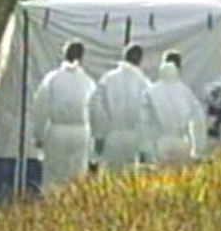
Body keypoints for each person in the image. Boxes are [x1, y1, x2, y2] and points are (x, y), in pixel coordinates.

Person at [32, 39, 96, 189]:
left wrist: (38, 136)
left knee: (53, 177)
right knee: (77, 177)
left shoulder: (52, 78)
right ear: (82, 58)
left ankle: (51, 208)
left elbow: (40, 108)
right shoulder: (88, 82)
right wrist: (92, 145)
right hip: (81, 133)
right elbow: (94, 112)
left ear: (63, 55)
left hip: (57, 132)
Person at [89, 43, 151, 171]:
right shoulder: (144, 83)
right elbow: (148, 115)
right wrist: (146, 144)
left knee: (109, 179)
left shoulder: (108, 78)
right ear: (140, 60)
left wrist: (99, 135)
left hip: (112, 137)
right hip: (134, 140)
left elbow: (96, 108)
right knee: (128, 182)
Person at [140, 50, 206, 166]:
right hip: (182, 143)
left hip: (161, 144)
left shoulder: (150, 92)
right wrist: (197, 148)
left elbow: (144, 122)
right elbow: (198, 119)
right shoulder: (185, 91)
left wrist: (146, 149)